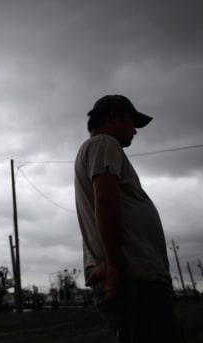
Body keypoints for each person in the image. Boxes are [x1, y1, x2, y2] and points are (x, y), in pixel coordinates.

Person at [74, 95, 185, 342]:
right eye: (132, 121)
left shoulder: (101, 148)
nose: (135, 130)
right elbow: (105, 200)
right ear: (114, 116)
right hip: (130, 275)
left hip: (132, 276)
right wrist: (114, 264)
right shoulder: (104, 143)